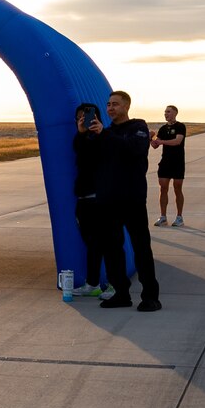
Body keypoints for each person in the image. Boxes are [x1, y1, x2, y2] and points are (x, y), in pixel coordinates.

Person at [92, 90, 160, 311]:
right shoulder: (106, 133)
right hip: (108, 201)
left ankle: (150, 297)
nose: (110, 108)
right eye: (108, 104)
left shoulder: (138, 127)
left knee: (141, 248)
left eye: (115, 104)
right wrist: (86, 134)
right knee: (112, 249)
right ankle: (121, 293)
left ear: (126, 107)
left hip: (132, 199)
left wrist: (105, 134)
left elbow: (135, 149)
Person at [71, 102, 116, 300]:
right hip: (84, 199)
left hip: (101, 199)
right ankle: (93, 284)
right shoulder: (80, 139)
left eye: (88, 116)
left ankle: (115, 285)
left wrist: (100, 133)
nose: (84, 120)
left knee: (108, 243)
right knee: (92, 244)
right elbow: (80, 151)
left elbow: (107, 155)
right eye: (80, 117)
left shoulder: (106, 137)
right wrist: (81, 132)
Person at [151, 104, 187, 226]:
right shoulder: (162, 129)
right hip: (165, 162)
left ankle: (179, 217)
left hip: (177, 162)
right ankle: (163, 217)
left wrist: (161, 142)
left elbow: (177, 141)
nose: (166, 114)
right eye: (165, 112)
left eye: (168, 112)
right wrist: (151, 138)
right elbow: (155, 145)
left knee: (177, 188)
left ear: (175, 113)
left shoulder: (180, 126)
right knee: (163, 188)